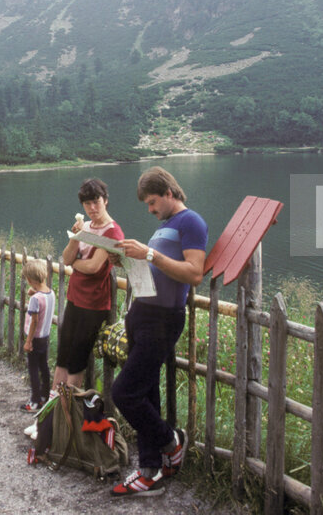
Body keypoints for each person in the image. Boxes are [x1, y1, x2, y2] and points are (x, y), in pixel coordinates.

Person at [110, 166, 207, 497]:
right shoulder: (165, 227)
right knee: (145, 392)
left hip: (163, 319)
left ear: (169, 193)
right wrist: (125, 259)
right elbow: (156, 271)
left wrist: (149, 253)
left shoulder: (190, 222)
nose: (150, 210)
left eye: (152, 202)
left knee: (124, 392)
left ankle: (170, 441)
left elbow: (194, 273)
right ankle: (149, 470)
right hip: (142, 313)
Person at [55, 178, 124, 390]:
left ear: (105, 200)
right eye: (87, 204)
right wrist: (75, 238)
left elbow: (94, 267)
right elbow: (66, 257)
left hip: (93, 303)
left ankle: (67, 417)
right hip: (75, 297)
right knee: (63, 355)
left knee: (77, 360)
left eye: (96, 201)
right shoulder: (84, 226)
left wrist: (74, 262)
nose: (92, 208)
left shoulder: (113, 232)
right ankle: (51, 413)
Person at [21, 258, 56, 413]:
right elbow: (42, 296)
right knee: (44, 366)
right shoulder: (50, 293)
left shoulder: (35, 299)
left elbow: (34, 321)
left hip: (34, 338)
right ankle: (45, 396)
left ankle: (34, 401)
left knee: (33, 368)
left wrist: (28, 341)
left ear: (29, 279)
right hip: (45, 337)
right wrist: (33, 291)